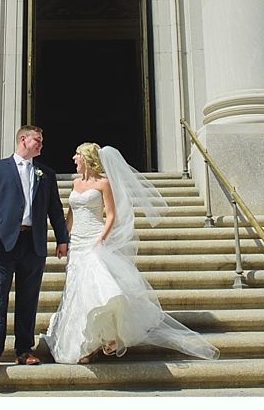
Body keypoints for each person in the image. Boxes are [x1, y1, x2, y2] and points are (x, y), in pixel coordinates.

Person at [43, 143, 220, 364]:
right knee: (76, 289)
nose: (73, 158)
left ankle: (101, 339)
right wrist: (63, 238)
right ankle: (84, 341)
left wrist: (101, 238)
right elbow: (71, 214)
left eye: (77, 154)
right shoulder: (76, 183)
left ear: (86, 158)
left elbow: (111, 215)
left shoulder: (104, 183)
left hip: (94, 240)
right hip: (76, 243)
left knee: (97, 288)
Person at [0, 125, 69, 370]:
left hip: (34, 243)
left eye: (41, 141)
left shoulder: (45, 173)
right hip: (2, 243)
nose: (41, 145)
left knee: (29, 298)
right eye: (37, 140)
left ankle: (24, 349)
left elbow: (56, 211)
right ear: (22, 139)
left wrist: (62, 239)